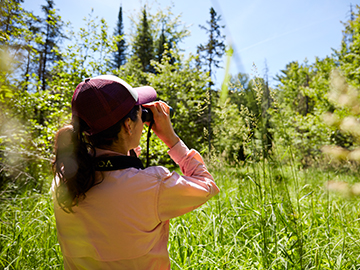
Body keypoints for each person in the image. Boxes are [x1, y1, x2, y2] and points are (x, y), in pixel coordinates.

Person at [51, 75, 219, 269]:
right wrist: (171, 139)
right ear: (128, 126)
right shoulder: (154, 185)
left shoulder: (64, 179)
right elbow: (207, 185)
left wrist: (127, 141)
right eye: (140, 112)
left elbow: (115, 167)